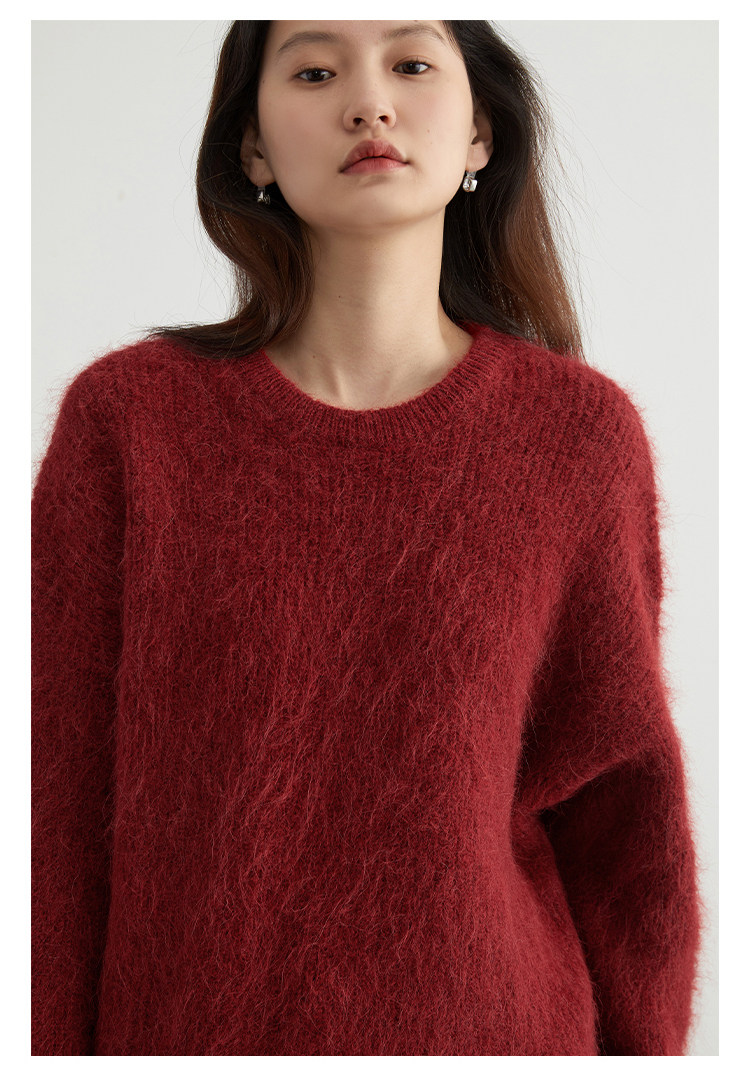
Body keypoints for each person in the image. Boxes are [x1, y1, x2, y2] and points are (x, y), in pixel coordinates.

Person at [31, 20, 705, 1057]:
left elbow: (621, 809)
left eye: (412, 64)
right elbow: (52, 802)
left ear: (480, 132)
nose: (369, 103)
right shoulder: (130, 423)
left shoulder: (576, 438)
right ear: (252, 148)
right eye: (313, 71)